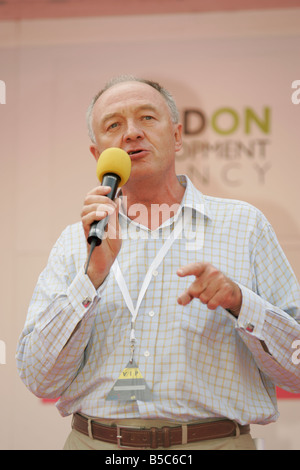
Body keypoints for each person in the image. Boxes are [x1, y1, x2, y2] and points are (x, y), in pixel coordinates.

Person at [16, 75, 300, 451]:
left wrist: (241, 302)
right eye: (113, 125)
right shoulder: (76, 241)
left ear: (178, 136)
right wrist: (92, 278)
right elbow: (39, 378)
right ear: (97, 154)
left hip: (212, 443)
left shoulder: (244, 225)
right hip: (95, 444)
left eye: (147, 118)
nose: (131, 133)